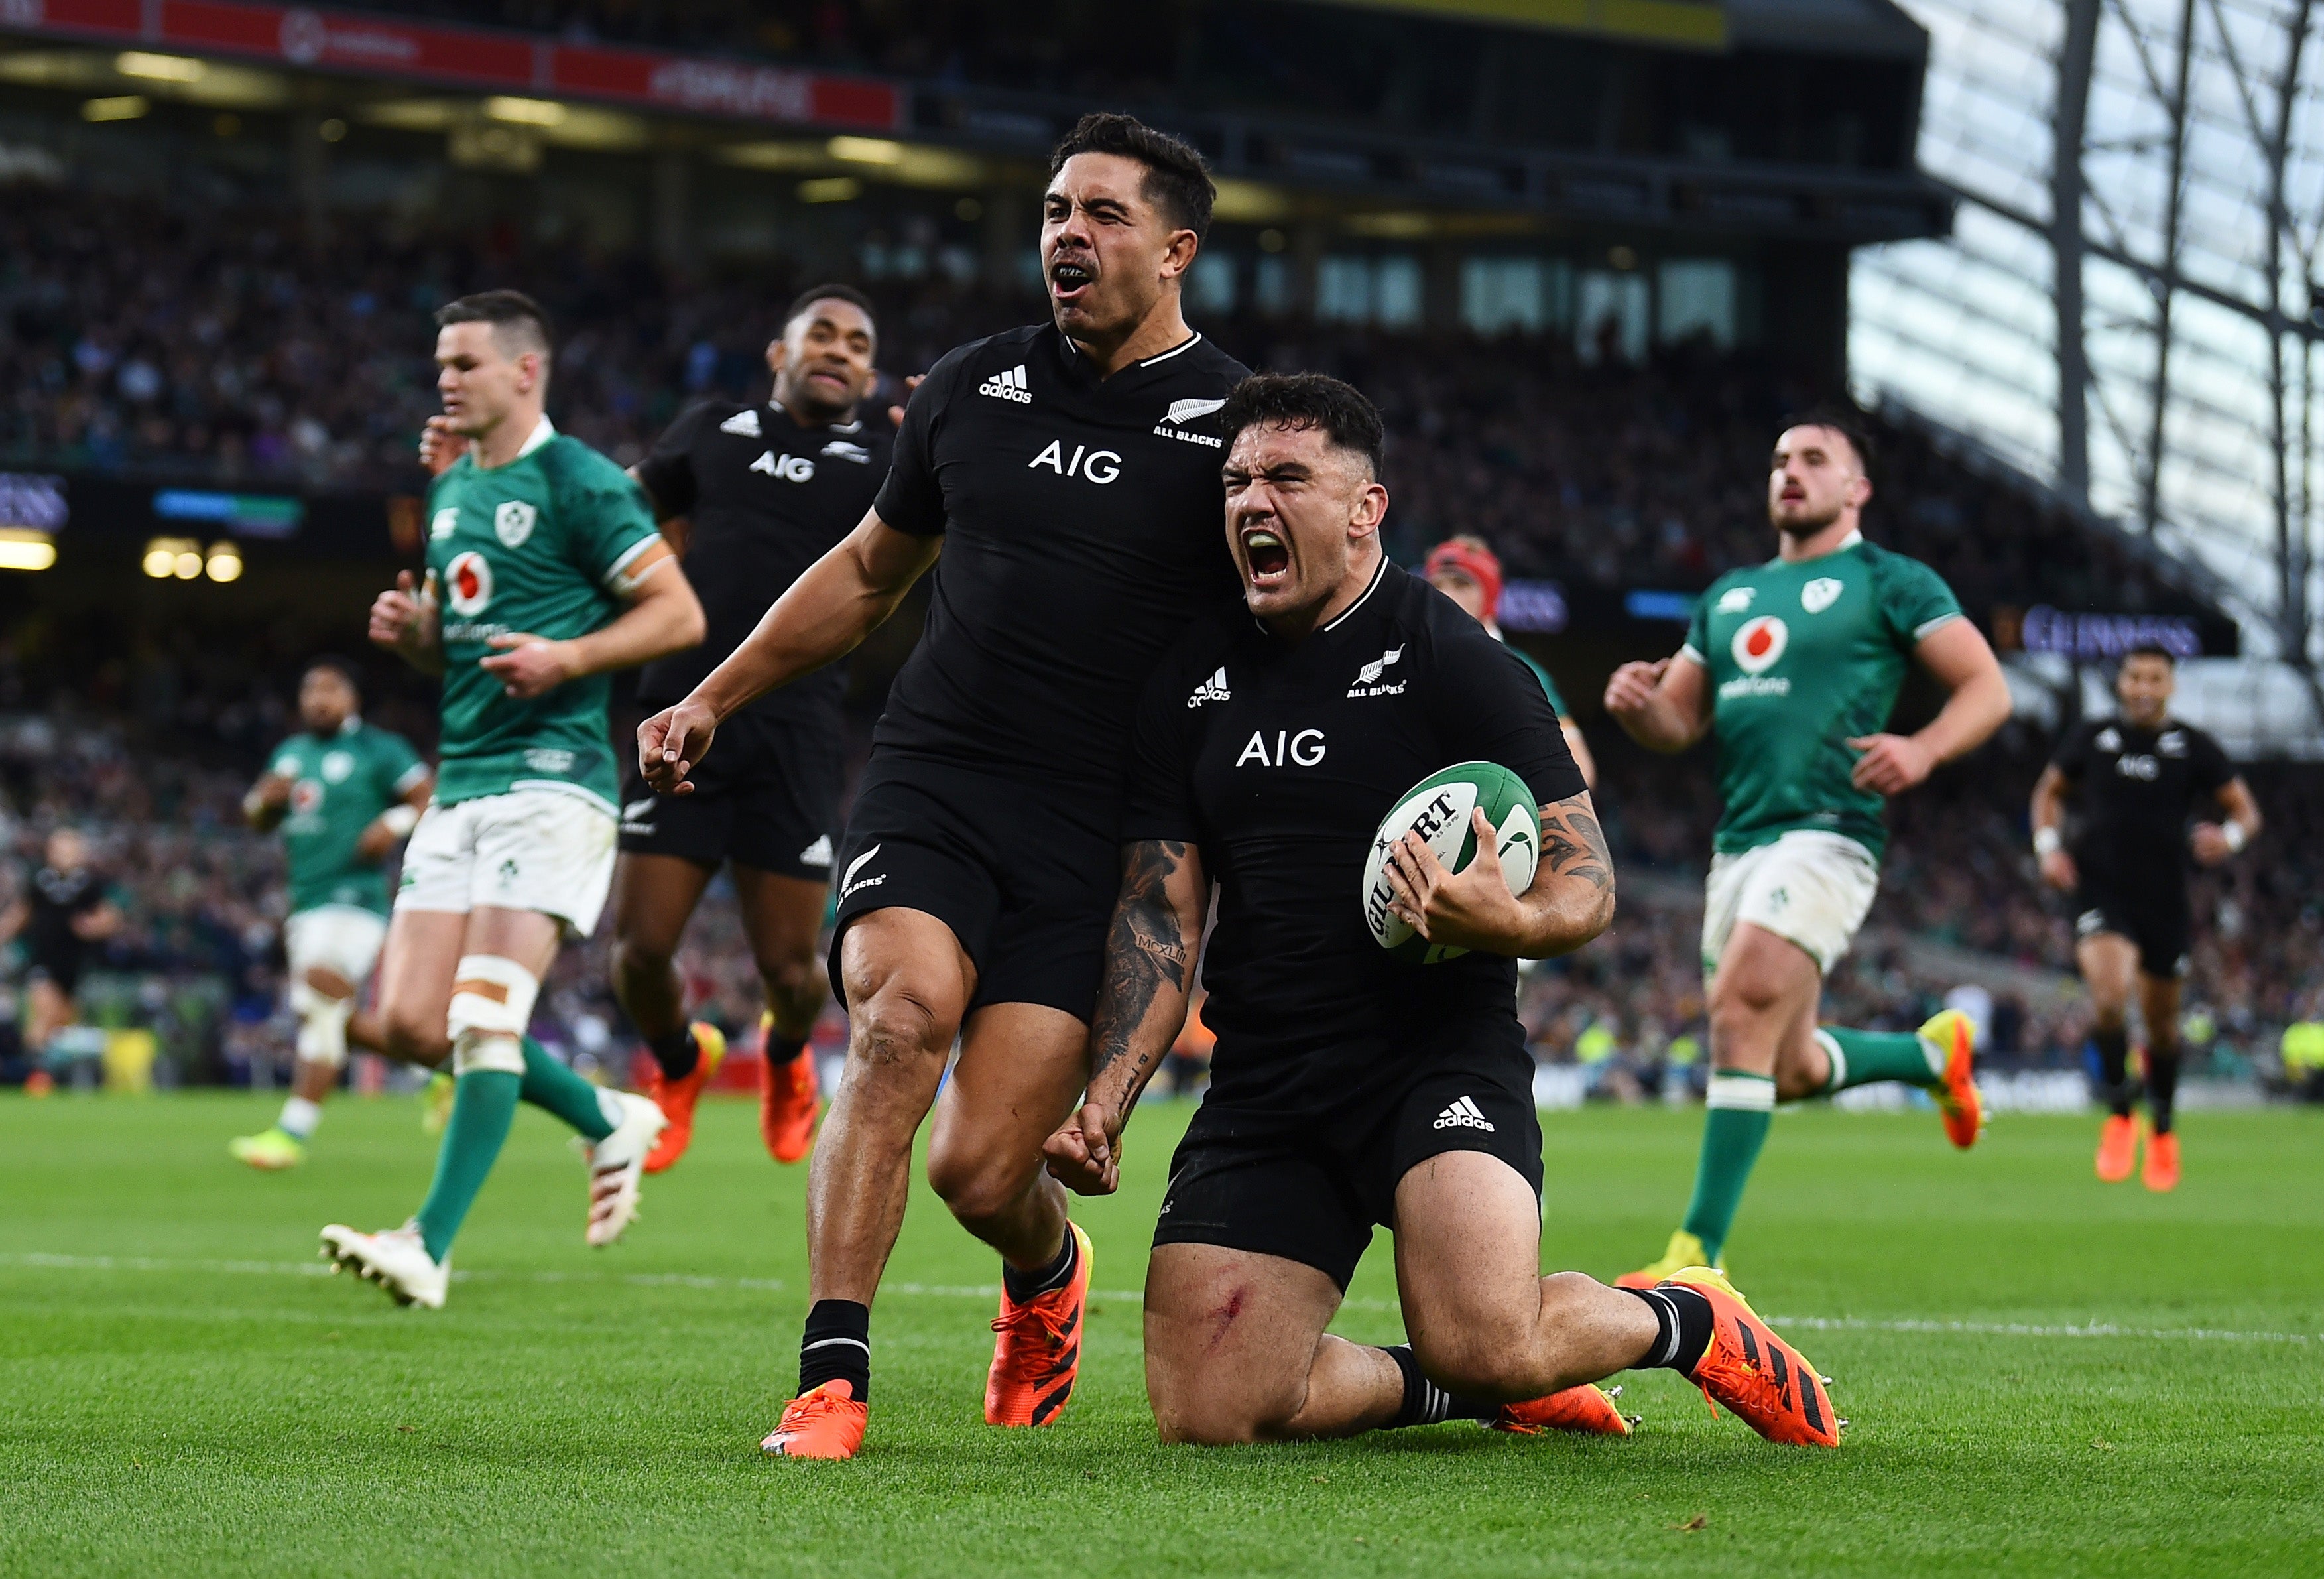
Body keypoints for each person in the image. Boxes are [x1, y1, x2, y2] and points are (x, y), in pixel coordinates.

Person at [1042, 373, 1841, 1450]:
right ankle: (1458, 1391)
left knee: (1489, 1335)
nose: (1251, 503)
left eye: (1288, 477)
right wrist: (1109, 1097)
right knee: (1212, 1409)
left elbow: (1587, 874)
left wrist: (1507, 922)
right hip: (1270, 1078)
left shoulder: (1456, 659)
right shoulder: (1187, 679)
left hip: (1436, 1053)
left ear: (1366, 510)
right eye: (1236, 481)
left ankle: (1688, 1319)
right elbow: (1160, 917)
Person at [637, 113, 1248, 1458]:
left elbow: (1292, 629)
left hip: (1096, 830)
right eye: (1052, 212)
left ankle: (1045, 1271)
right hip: (937, 778)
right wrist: (710, 693)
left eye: (1102, 214)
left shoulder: (1237, 429)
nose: (1066, 236)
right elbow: (865, 574)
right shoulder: (974, 387)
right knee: (901, 1018)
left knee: (983, 1168)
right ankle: (831, 1376)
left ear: (1177, 248)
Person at [321, 289, 705, 1310]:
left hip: (553, 781)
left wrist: (571, 654)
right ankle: (605, 1117)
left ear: (526, 371)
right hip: (463, 784)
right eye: (440, 364)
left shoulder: (579, 482)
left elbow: (678, 611)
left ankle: (427, 1243)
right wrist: (416, 635)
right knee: (409, 1026)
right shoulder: (450, 492)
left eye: (466, 364)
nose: (446, 381)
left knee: (485, 1016)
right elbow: (459, 644)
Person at [1603, 409, 2010, 1286]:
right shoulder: (1730, 597)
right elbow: (1680, 720)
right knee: (1780, 1065)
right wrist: (1643, 709)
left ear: (1855, 488)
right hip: (1739, 841)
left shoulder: (1890, 581)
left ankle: (1696, 1253)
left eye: (1814, 459)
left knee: (1742, 1005)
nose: (1790, 471)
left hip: (1829, 831)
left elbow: (1986, 687)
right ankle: (1930, 1056)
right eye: (1780, 458)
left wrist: (1923, 747)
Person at [611, 284, 894, 1173]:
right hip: (678, 712)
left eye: (857, 342)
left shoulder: (888, 462)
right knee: (640, 953)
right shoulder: (708, 432)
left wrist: (949, 434)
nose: (839, 350)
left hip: (798, 734)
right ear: (779, 352)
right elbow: (619, 514)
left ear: (871, 370)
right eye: (822, 334)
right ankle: (677, 1059)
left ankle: (783, 1058)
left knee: (792, 973)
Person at [2030, 643, 2259, 1191]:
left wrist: (2226, 837)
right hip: (2099, 889)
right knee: (2108, 997)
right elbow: (2049, 790)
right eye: (2134, 676)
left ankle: (2161, 1128)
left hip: (2163, 899)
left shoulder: (2194, 747)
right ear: (2121, 682)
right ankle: (2117, 1114)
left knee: (2161, 1025)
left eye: (2154, 677)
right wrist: (2047, 846)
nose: (2142, 687)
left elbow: (2245, 812)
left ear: (2170, 685)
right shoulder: (2092, 736)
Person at [229, 658, 433, 1170]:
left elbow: (430, 798)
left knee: (321, 989)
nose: (320, 699)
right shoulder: (292, 752)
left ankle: (291, 1133)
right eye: (310, 690)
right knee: (323, 1015)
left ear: (352, 699)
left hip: (356, 897)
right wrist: (261, 803)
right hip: (306, 899)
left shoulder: (378, 749)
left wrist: (394, 819)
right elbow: (257, 818)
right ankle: (437, 1060)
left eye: (331, 689)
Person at [1424, 535, 1595, 787]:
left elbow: (1580, 771)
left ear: (1490, 595)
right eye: (1437, 585)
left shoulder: (1520, 670)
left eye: (1461, 585)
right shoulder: (1404, 660)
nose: (1446, 595)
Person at [1, 827, 121, 1084]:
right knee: (44, 1012)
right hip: (44, 962)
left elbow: (109, 918)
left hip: (73, 966)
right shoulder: (40, 882)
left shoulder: (89, 884)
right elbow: (20, 915)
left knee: (60, 1024)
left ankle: (43, 1071)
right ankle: (33, 1077)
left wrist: (93, 927)